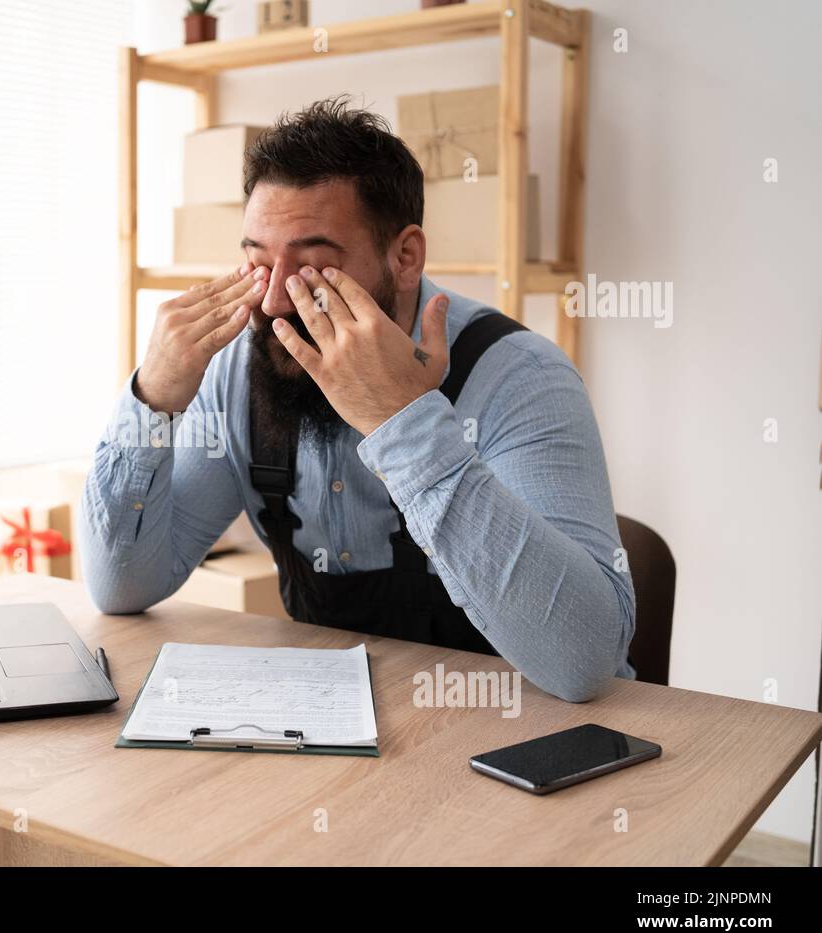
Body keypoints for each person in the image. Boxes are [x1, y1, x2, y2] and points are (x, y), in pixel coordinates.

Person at [80, 96, 635, 703]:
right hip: (343, 733)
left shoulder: (521, 377)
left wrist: (401, 422)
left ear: (405, 257)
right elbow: (122, 587)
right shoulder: (240, 369)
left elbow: (584, 662)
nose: (271, 305)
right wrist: (151, 400)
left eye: (311, 267)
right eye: (257, 264)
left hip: (526, 743)